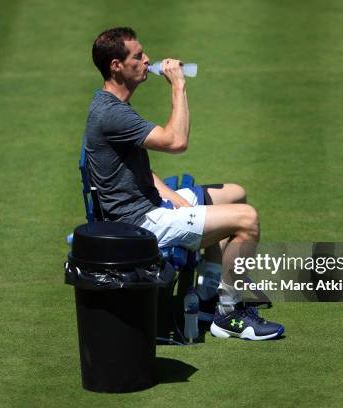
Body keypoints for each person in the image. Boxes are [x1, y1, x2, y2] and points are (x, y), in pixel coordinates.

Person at [84, 27, 284, 340]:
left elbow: (133, 170)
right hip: (140, 224)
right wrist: (178, 86)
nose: (147, 59)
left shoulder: (111, 106)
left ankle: (208, 292)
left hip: (149, 204)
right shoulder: (111, 114)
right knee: (247, 219)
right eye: (138, 56)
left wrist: (173, 198)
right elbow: (176, 142)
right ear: (116, 66)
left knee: (234, 193)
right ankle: (228, 314)